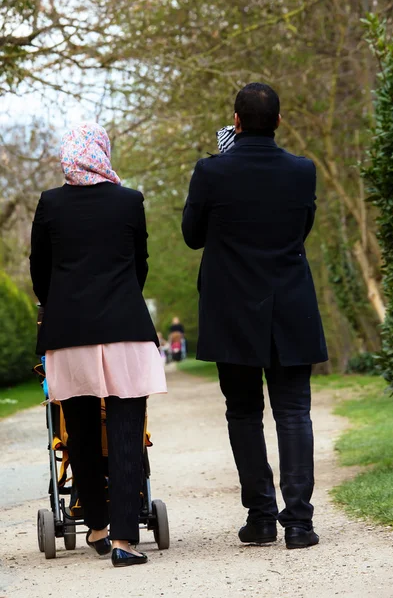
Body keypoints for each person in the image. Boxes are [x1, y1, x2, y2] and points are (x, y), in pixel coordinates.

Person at [182, 83, 328, 549]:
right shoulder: (302, 172)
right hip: (290, 304)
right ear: (280, 122)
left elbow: (191, 235)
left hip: (232, 309)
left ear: (236, 121)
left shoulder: (211, 172)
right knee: (294, 411)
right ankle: (300, 524)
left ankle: (262, 516)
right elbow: (301, 226)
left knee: (243, 413)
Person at [30, 122, 167, 568]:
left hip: (69, 335)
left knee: (81, 434)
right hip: (125, 328)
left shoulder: (50, 204)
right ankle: (127, 541)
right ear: (103, 152)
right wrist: (122, 297)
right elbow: (139, 265)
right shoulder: (130, 201)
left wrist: (61, 304)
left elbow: (41, 273)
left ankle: (98, 527)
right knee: (126, 433)